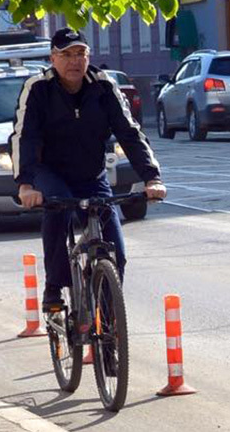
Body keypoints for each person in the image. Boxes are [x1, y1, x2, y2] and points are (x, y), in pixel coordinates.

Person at [11, 28, 167, 311]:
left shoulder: (103, 86)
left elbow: (129, 133)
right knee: (58, 208)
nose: (74, 61)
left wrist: (151, 178)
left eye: (80, 53)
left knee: (116, 252)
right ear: (53, 59)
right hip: (49, 173)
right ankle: (54, 287)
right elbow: (25, 137)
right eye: (66, 54)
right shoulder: (38, 88)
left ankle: (108, 327)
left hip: (91, 174)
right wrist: (26, 185)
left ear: (88, 56)